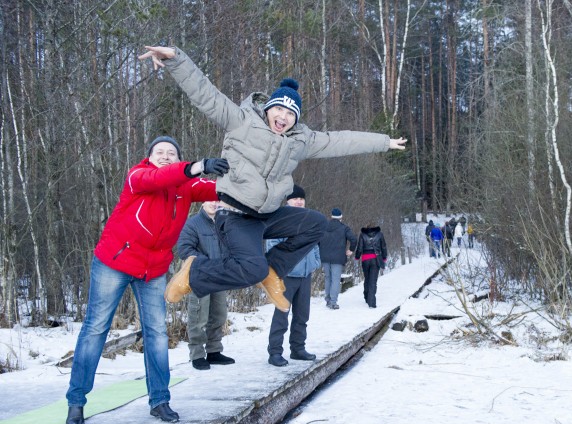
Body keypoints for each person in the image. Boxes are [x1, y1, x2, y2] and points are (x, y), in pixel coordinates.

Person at [138, 46, 407, 312]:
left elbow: (342, 140)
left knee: (316, 224)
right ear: (268, 108)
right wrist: (177, 59)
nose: (283, 117)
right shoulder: (240, 121)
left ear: (296, 119)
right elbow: (206, 95)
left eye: (291, 114)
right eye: (279, 110)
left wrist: (384, 142)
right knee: (250, 269)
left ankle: (273, 270)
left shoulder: (300, 141)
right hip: (235, 215)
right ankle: (194, 272)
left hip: (268, 214)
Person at [65, 137, 227, 424]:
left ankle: (160, 400)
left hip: (152, 270)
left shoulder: (185, 187)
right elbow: (159, 178)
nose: (165, 157)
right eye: (159, 152)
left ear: (178, 158)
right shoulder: (137, 177)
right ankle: (76, 401)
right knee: (96, 328)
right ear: (149, 157)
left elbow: (219, 190)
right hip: (114, 262)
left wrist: (249, 176)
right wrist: (198, 166)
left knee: (157, 333)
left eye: (171, 153)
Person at [265, 185, 320, 366]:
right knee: (281, 315)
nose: (299, 201)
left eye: (301, 199)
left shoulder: (309, 219)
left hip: (305, 275)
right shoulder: (281, 219)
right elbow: (272, 245)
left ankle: (297, 348)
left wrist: (315, 261)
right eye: (295, 198)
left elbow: (315, 242)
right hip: (286, 275)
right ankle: (275, 352)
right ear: (287, 200)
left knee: (302, 315)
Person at [176, 201, 235, 370]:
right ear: (202, 202)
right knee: (198, 317)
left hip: (219, 277)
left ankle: (214, 351)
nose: (214, 204)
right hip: (200, 276)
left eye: (217, 201)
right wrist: (206, 263)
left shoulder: (225, 223)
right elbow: (184, 249)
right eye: (210, 200)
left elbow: (232, 247)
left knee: (219, 315)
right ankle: (197, 354)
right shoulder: (193, 223)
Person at [319, 208, 357, 310]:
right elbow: (353, 239)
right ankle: (333, 302)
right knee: (335, 280)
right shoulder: (344, 228)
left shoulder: (323, 226)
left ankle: (327, 300)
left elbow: (317, 239)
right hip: (338, 257)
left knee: (328, 278)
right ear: (341, 217)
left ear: (331, 216)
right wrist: (351, 250)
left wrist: (320, 251)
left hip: (325, 257)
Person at [354, 223, 388, 308]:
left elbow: (360, 247)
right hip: (376, 259)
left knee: (367, 278)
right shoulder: (380, 234)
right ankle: (371, 302)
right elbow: (383, 246)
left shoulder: (362, 235)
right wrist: (384, 258)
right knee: (373, 280)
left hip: (365, 260)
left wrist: (357, 257)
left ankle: (366, 296)